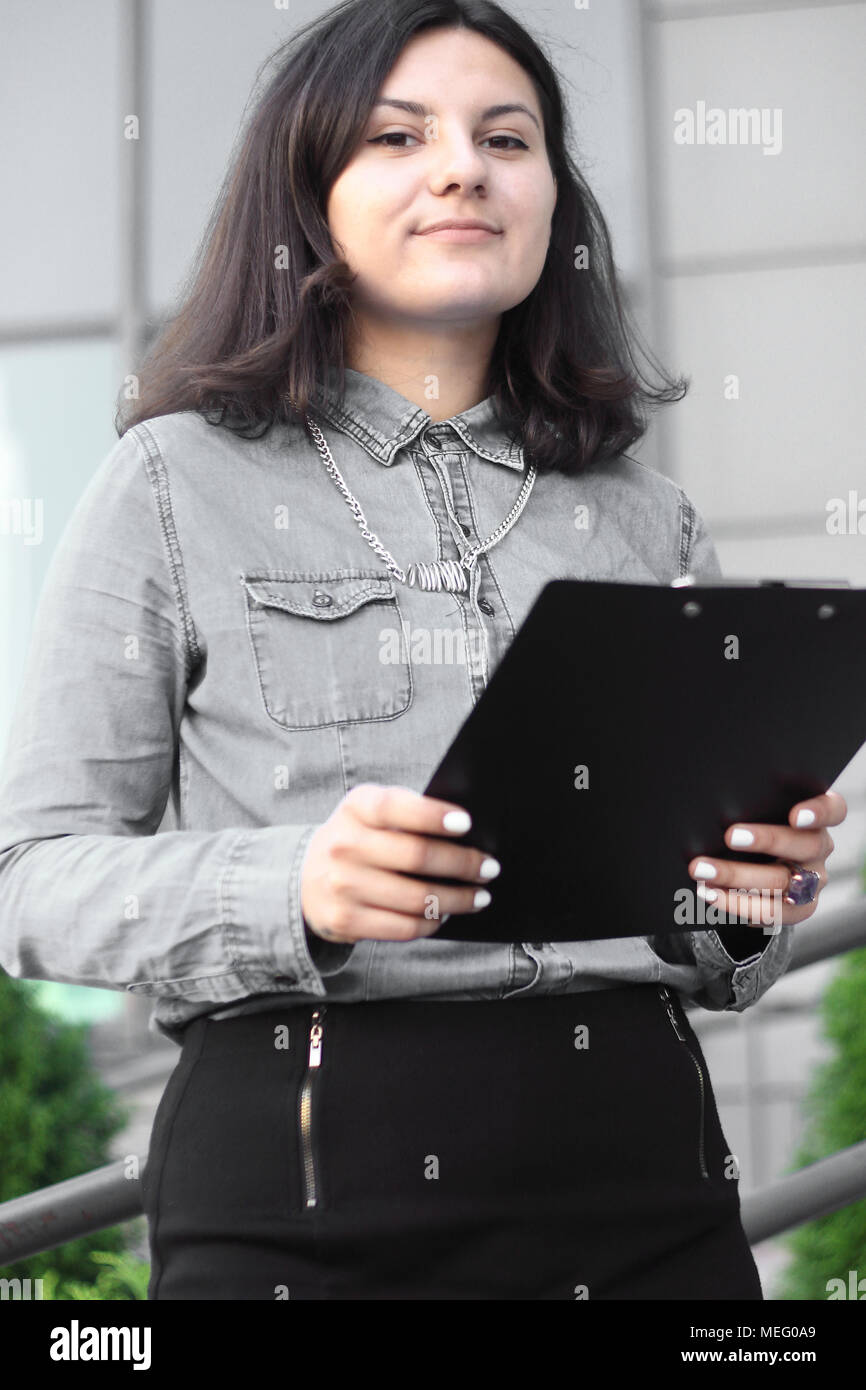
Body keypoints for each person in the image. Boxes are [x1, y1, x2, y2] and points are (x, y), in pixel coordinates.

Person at [0, 0, 845, 1301]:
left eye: (505, 138)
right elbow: (31, 876)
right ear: (307, 196)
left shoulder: (641, 515)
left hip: (649, 1189)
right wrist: (295, 887)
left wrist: (744, 900)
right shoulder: (170, 483)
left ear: (551, 200)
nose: (463, 167)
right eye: (398, 138)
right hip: (302, 1192)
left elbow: (706, 936)